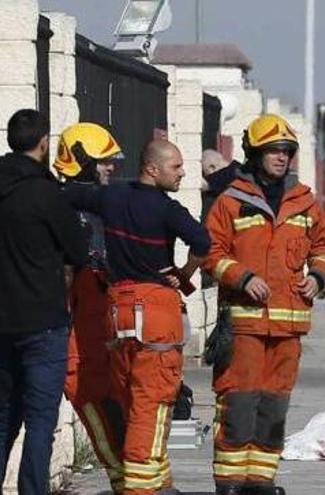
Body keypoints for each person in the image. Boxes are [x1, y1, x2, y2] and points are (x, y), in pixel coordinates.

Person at [67, 139, 211, 495]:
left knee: (130, 399)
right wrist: (185, 273)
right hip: (156, 313)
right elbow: (203, 242)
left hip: (117, 313)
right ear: (153, 168)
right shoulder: (167, 209)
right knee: (153, 404)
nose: (182, 173)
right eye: (176, 167)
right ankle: (141, 487)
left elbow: (71, 194)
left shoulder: (113, 197)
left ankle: (159, 483)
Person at [203, 114, 325, 495]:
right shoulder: (231, 202)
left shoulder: (305, 202)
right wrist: (242, 278)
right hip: (244, 324)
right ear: (254, 153)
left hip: (289, 327)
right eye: (273, 151)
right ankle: (230, 481)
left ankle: (261, 480)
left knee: (274, 408)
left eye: (286, 151)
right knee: (238, 403)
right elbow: (210, 251)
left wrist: (318, 277)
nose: (281, 157)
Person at [0, 109, 88, 493]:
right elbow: (78, 249)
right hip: (43, 321)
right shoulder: (46, 193)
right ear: (43, 142)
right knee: (39, 420)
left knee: (4, 415)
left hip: (2, 322)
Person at [55, 122, 126, 491]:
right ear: (81, 161)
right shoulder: (65, 205)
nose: (110, 167)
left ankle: (130, 476)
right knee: (90, 394)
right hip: (78, 324)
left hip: (104, 318)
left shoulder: (99, 203)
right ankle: (122, 477)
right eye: (103, 161)